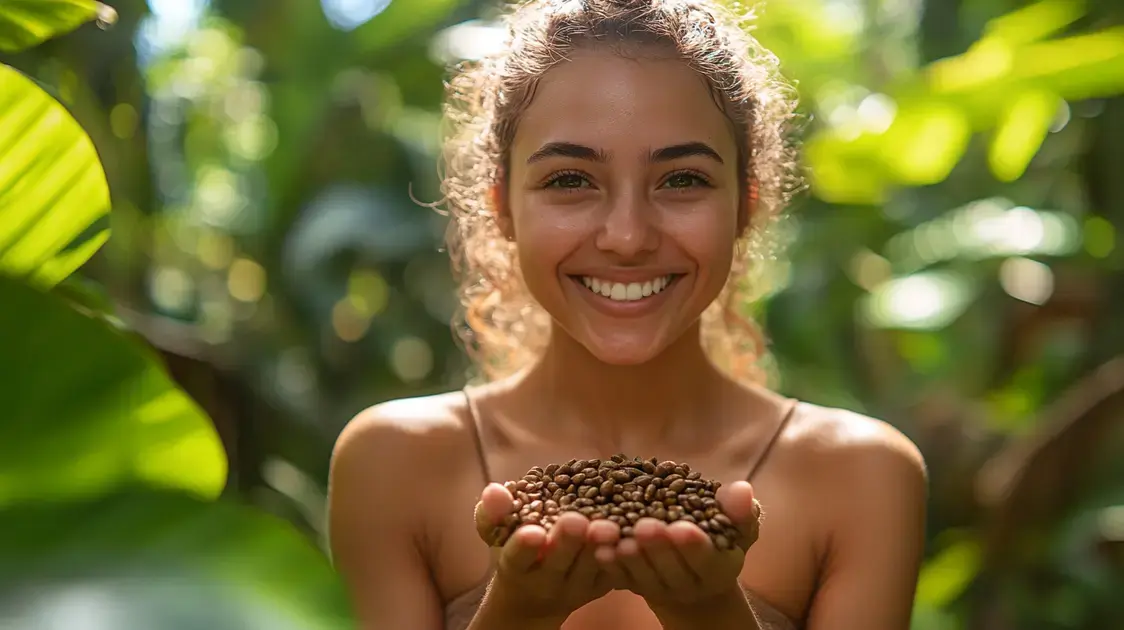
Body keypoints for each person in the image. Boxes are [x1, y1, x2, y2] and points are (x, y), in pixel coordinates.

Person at [327, 0, 928, 628]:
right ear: (502, 206)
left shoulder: (859, 475)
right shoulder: (395, 463)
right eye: (569, 180)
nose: (626, 236)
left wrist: (709, 611)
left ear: (745, 205)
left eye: (681, 180)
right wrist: (518, 610)